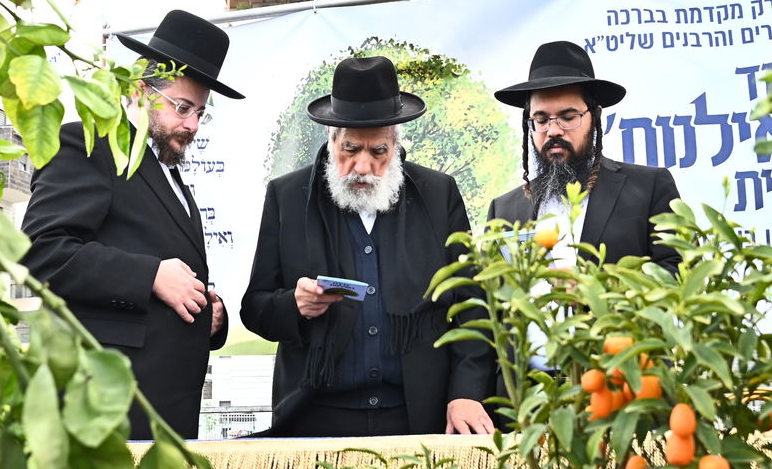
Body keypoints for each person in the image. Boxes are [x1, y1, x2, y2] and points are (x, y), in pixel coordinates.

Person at [241, 56, 494, 437]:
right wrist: (293, 305)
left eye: (378, 152)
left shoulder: (438, 195)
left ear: (396, 144)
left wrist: (466, 393)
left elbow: (473, 308)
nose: (362, 166)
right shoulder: (287, 197)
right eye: (350, 148)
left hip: (418, 418)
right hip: (318, 418)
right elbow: (255, 308)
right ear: (331, 141)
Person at [21, 9, 244, 440]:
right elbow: (40, 251)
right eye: (182, 107)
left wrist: (208, 314)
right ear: (141, 91)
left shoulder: (169, 174)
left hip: (168, 420)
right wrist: (150, 276)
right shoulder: (88, 145)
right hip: (106, 418)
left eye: (200, 112)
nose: (192, 125)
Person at [486, 40, 680, 271]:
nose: (554, 130)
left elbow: (679, 271)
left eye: (568, 117)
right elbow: (490, 291)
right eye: (541, 120)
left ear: (595, 117)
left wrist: (594, 294)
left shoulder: (649, 189)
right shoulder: (504, 209)